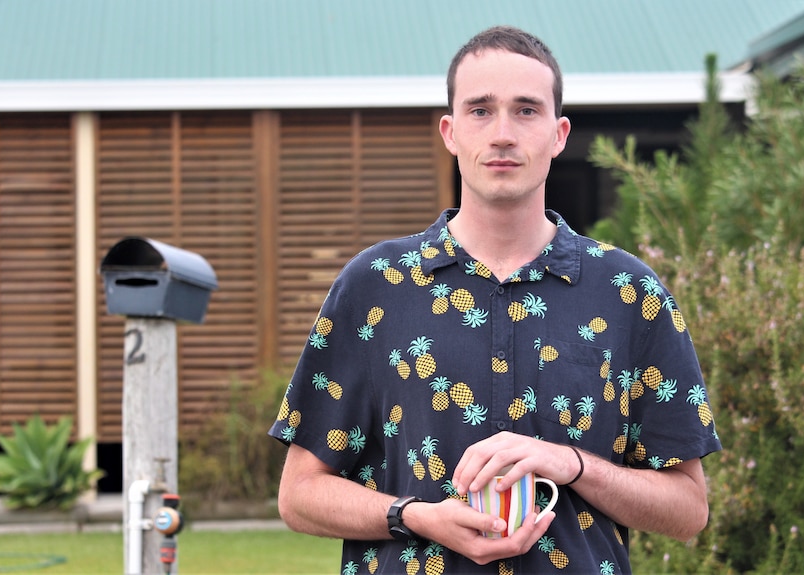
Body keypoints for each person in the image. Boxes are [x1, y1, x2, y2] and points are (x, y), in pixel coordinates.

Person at [269, 25, 721, 574]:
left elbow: (688, 509)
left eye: (526, 110)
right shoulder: (375, 286)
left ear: (559, 134)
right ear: (450, 131)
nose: (503, 132)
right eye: (480, 110)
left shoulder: (629, 294)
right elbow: (299, 495)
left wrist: (572, 464)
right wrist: (413, 515)